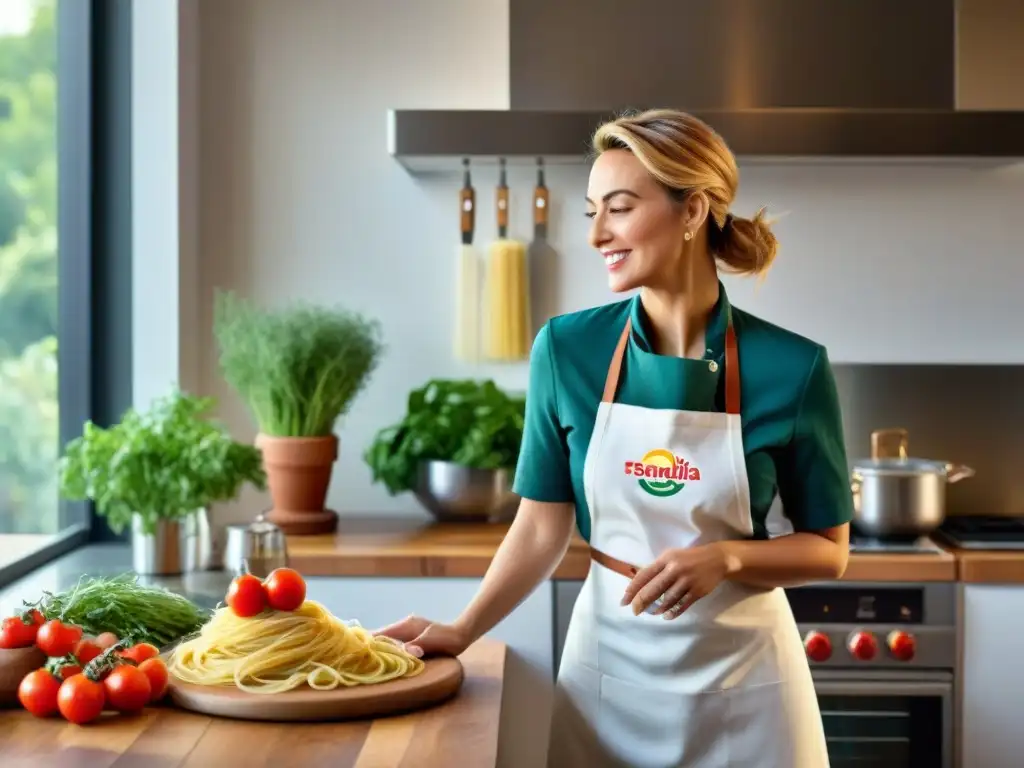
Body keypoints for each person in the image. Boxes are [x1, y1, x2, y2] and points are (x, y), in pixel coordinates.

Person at [374, 108, 853, 768]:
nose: (598, 233)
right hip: (609, 677)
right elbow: (542, 527)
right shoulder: (567, 349)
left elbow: (829, 552)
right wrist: (462, 628)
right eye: (593, 211)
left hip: (747, 689)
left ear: (693, 213)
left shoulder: (792, 368)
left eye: (620, 209)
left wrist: (727, 559)